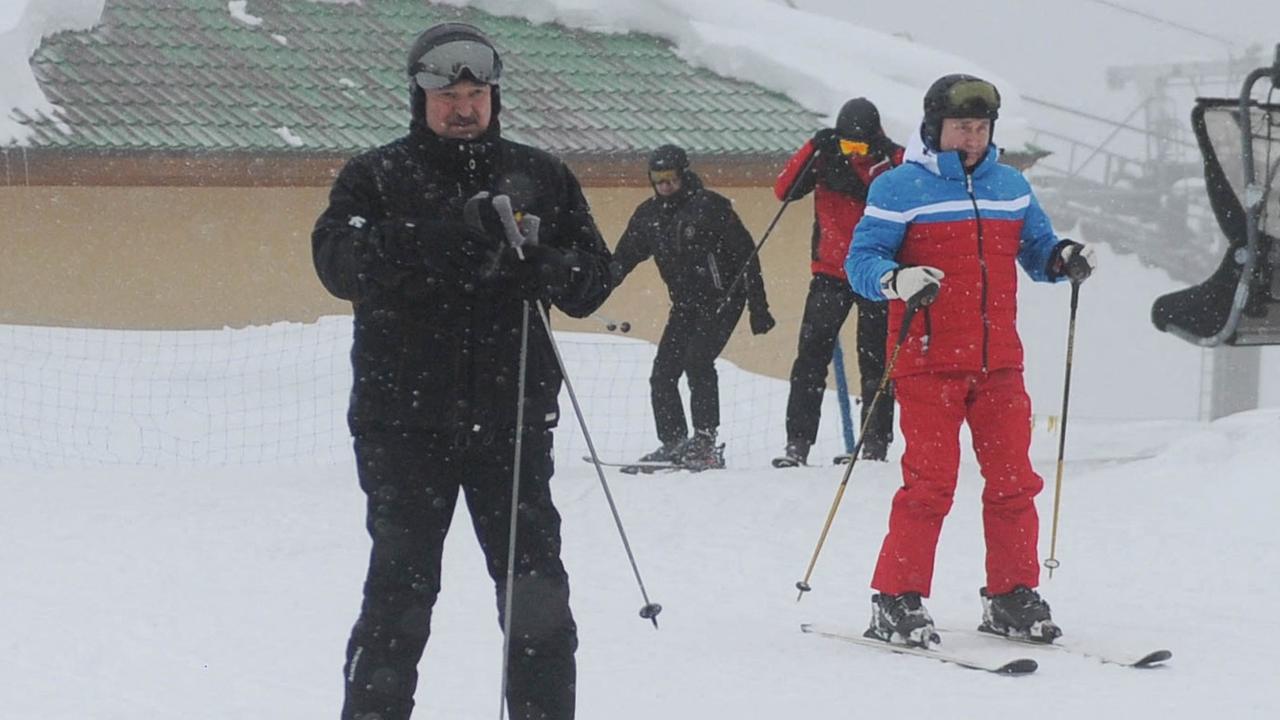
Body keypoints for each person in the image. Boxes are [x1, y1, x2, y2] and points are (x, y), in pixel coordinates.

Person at [311, 22, 612, 720]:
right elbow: (338, 263)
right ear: (419, 99)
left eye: (476, 92)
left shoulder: (541, 175)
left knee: (538, 602)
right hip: (403, 426)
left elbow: (594, 278)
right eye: (447, 94)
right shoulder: (376, 176)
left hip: (511, 425)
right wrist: (449, 234)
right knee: (399, 600)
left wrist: (551, 264)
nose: (463, 107)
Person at [845, 74, 1097, 647]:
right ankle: (896, 598)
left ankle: (1011, 595)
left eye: (981, 128)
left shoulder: (1009, 185)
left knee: (1014, 482)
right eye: (962, 127)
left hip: (999, 362)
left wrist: (1063, 258)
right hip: (928, 358)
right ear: (935, 128)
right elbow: (861, 260)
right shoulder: (897, 188)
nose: (972, 138)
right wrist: (896, 278)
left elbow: (1035, 248)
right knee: (930, 485)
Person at [611, 144, 776, 471]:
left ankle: (704, 442)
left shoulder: (711, 207)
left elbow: (746, 256)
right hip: (686, 304)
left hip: (723, 299)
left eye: (671, 178)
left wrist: (759, 307)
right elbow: (622, 259)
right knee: (663, 372)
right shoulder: (649, 216)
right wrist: (591, 289)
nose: (665, 186)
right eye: (658, 179)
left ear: (684, 175)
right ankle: (673, 442)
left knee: (697, 360)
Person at [771, 98, 905, 468]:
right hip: (829, 273)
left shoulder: (894, 161)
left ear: (875, 139)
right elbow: (784, 190)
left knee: (876, 362)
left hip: (878, 275)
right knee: (810, 359)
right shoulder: (825, 155)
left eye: (860, 147)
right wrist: (815, 145)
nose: (853, 154)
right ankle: (797, 443)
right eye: (847, 146)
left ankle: (874, 444)